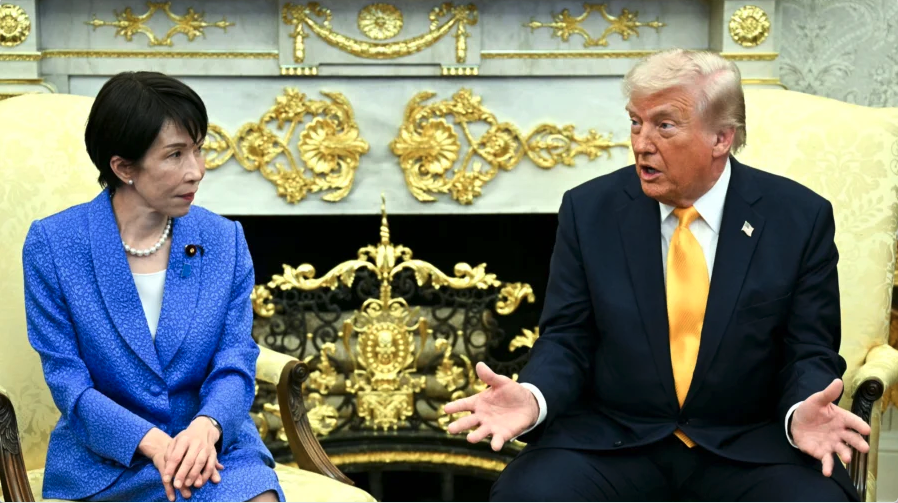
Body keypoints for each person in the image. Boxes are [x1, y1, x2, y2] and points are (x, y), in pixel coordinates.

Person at [445, 49, 872, 501]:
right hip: (613, 440)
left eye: (664, 126)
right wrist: (534, 396)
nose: (641, 143)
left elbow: (808, 350)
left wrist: (802, 409)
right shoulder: (589, 210)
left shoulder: (798, 218)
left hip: (746, 444)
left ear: (721, 138)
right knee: (529, 494)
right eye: (636, 122)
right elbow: (567, 338)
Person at [22, 71, 284, 502]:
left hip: (209, 447)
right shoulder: (54, 245)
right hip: (105, 460)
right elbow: (68, 381)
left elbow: (235, 360)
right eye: (175, 155)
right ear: (124, 167)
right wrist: (154, 444)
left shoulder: (224, 240)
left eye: (198, 149)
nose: (197, 171)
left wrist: (207, 428)